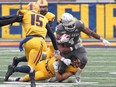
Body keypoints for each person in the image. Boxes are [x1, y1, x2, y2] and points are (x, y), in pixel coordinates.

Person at [4, 9, 60, 87]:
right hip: (38, 42)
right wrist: (57, 50)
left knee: (32, 62)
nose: (51, 24)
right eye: (50, 22)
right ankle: (15, 70)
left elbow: (15, 15)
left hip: (28, 41)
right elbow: (52, 37)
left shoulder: (29, 14)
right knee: (32, 66)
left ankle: (31, 80)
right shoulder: (44, 19)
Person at [55, 12, 111, 82]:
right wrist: (60, 40)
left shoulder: (78, 24)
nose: (72, 26)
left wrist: (102, 39)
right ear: (63, 25)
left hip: (77, 47)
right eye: (69, 25)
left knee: (84, 59)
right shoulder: (59, 29)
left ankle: (78, 74)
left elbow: (90, 33)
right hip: (66, 49)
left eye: (73, 24)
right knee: (61, 70)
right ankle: (55, 70)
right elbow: (59, 46)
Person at [11, 0, 56, 65]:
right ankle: (32, 70)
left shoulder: (50, 16)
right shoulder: (29, 13)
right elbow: (18, 18)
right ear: (37, 7)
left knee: (37, 56)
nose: (42, 9)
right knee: (39, 56)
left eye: (44, 7)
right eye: (41, 7)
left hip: (40, 37)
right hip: (31, 35)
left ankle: (18, 61)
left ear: (47, 7)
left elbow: (50, 28)